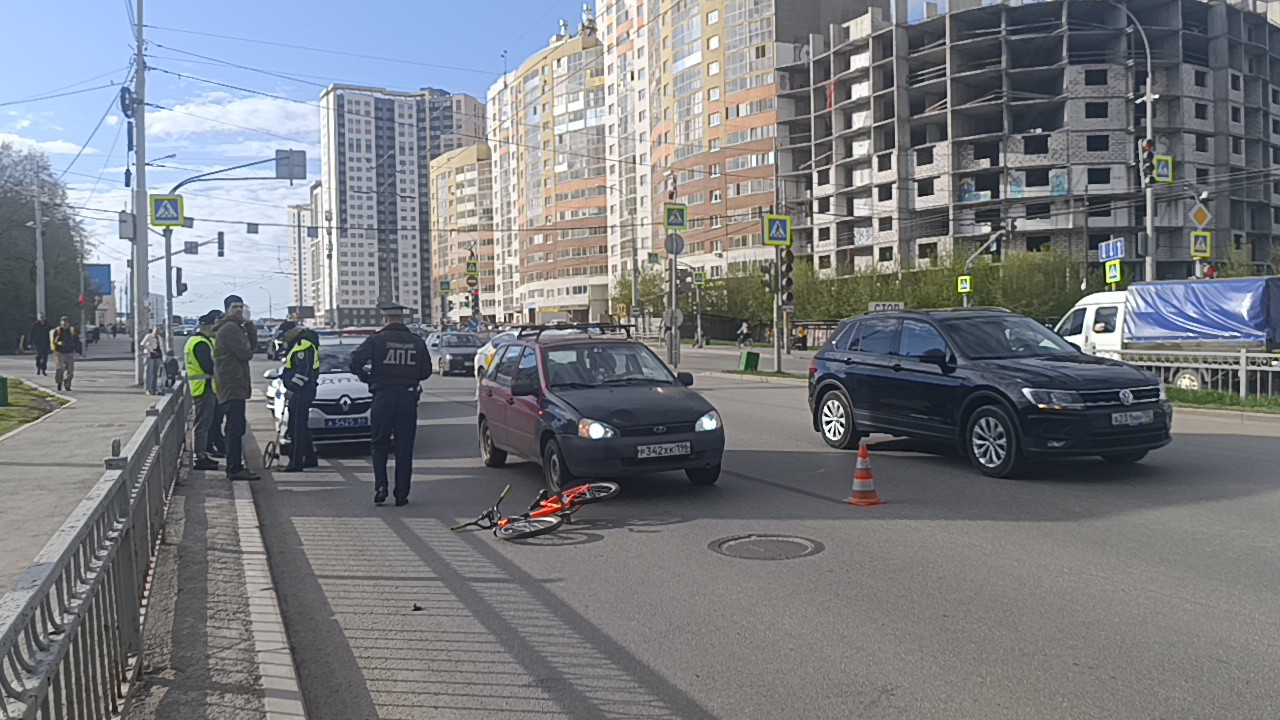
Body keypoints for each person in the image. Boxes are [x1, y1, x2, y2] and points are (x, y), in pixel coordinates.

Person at [349, 301, 431, 506]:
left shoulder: (376, 340)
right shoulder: (416, 341)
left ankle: (380, 487)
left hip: (383, 397)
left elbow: (354, 362)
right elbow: (426, 371)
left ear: (384, 318)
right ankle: (401, 494)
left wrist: (368, 378)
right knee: (404, 446)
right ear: (402, 319)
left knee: (379, 444)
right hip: (407, 398)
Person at [214, 295, 260, 481]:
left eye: (241, 306)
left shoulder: (235, 327)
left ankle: (235, 466)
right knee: (235, 428)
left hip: (234, 384)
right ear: (227, 310)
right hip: (232, 385)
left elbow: (250, 348)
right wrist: (248, 331)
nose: (239, 310)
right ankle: (234, 468)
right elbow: (246, 353)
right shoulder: (230, 329)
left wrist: (249, 327)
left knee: (237, 427)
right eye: (234, 307)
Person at [280, 326, 320, 472]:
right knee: (301, 425)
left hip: (301, 392)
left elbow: (303, 371)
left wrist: (292, 388)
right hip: (304, 391)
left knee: (296, 427)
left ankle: (295, 462)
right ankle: (310, 458)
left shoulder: (303, 345)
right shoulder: (301, 344)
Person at [185, 312, 221, 471]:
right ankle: (199, 457)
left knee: (203, 424)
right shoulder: (201, 343)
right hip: (204, 388)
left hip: (201, 387)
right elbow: (209, 367)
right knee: (202, 425)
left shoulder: (196, 340)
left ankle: (202, 455)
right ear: (209, 326)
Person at [50, 317, 80, 392]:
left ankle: (67, 385)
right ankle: (59, 382)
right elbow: (53, 341)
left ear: (69, 323)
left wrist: (78, 352)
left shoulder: (72, 331)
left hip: (70, 353)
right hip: (60, 352)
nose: (65, 324)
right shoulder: (57, 331)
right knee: (60, 369)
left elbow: (77, 341)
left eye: (66, 322)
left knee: (70, 371)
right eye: (63, 322)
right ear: (61, 323)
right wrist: (58, 342)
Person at [141, 325, 164, 395]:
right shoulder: (149, 336)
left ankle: (154, 389)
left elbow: (162, 348)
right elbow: (143, 344)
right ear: (153, 329)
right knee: (149, 373)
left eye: (158, 330)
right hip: (150, 356)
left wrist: (163, 357)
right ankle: (148, 389)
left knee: (156, 373)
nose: (157, 331)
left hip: (158, 357)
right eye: (156, 329)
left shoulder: (160, 338)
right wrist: (151, 350)